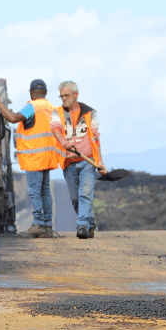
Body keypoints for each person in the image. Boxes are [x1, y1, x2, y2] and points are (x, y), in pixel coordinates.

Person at [0, 79, 62, 238]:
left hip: (34, 156)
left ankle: (38, 224)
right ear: (46, 93)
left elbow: (13, 118)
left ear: (31, 92)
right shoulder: (52, 108)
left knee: (35, 191)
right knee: (45, 191)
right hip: (48, 156)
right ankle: (47, 227)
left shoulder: (32, 106)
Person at [51, 81, 104, 239]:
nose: (63, 99)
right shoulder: (57, 112)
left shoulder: (89, 112)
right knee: (75, 198)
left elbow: (95, 138)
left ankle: (82, 225)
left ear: (76, 95)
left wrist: (100, 161)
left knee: (85, 194)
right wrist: (62, 141)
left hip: (87, 161)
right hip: (68, 162)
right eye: (61, 96)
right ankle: (89, 221)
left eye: (66, 95)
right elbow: (55, 128)